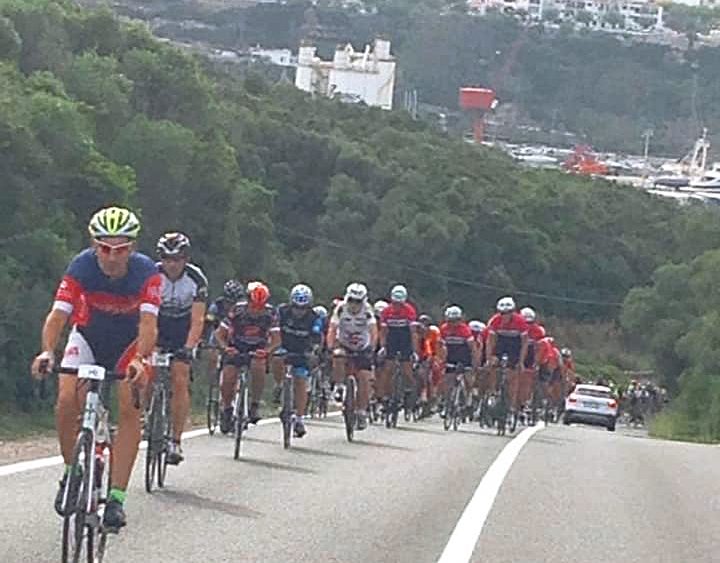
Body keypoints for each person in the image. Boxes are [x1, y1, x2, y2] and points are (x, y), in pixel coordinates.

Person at [30, 206, 161, 531]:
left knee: (129, 407)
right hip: (88, 336)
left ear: (132, 248)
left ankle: (116, 497)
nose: (112, 257)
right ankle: (72, 470)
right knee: (65, 401)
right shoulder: (81, 266)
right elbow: (57, 316)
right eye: (104, 248)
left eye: (121, 249)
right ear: (93, 245)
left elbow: (148, 324)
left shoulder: (146, 273)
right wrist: (47, 351)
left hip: (129, 344)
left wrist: (140, 359)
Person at [155, 232, 208, 465]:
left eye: (177, 259)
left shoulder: (197, 279)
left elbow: (197, 320)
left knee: (180, 377)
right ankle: (147, 412)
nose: (172, 264)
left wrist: (188, 347)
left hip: (183, 330)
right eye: (167, 259)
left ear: (185, 259)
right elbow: (143, 313)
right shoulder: (151, 275)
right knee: (145, 370)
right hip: (157, 326)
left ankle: (175, 440)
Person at [214, 281, 279, 432]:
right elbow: (219, 334)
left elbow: (277, 339)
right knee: (229, 377)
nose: (257, 310)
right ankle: (227, 408)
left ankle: (254, 404)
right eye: (254, 305)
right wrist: (225, 348)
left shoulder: (270, 313)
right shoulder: (237, 310)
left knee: (258, 367)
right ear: (248, 300)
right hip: (236, 346)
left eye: (260, 306)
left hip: (258, 348)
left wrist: (268, 350)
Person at [273, 285, 323, 438]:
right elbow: (272, 329)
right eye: (296, 307)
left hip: (302, 351)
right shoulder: (282, 312)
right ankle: (279, 385)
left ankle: (299, 419)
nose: (298, 311)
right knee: (276, 358)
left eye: (303, 308)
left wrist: (314, 351)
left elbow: (317, 338)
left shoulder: (314, 318)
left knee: (301, 380)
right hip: (284, 347)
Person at [326, 283, 378, 430]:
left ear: (364, 301)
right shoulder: (341, 308)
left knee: (364, 378)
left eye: (358, 301)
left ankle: (361, 411)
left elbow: (373, 330)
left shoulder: (367, 310)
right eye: (351, 300)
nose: (354, 305)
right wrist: (330, 347)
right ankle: (339, 386)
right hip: (344, 343)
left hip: (362, 346)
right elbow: (332, 328)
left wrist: (372, 348)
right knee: (338, 355)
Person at [377, 285, 419, 414]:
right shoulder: (386, 311)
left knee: (407, 370)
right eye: (395, 303)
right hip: (392, 339)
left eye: (399, 303)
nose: (397, 306)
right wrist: (383, 346)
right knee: (387, 369)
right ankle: (384, 397)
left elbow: (413, 333)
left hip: (405, 339)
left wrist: (415, 350)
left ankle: (408, 390)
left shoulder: (409, 310)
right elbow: (383, 331)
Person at [485, 297, 529, 415]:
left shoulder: (520, 322)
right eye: (502, 313)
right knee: (493, 365)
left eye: (508, 313)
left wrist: (521, 361)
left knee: (512, 375)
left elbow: (524, 343)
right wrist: (489, 358)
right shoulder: (495, 320)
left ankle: (511, 404)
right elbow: (490, 341)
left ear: (513, 312)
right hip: (500, 343)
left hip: (515, 345)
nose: (505, 316)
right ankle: (493, 391)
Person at [439, 306, 478, 416]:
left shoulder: (464, 329)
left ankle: (469, 398)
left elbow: (472, 348)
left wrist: (474, 362)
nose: (453, 324)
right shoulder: (444, 329)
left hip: (465, 356)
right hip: (451, 356)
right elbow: (441, 346)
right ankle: (447, 404)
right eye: (450, 321)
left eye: (456, 321)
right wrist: (441, 359)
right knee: (448, 381)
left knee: (468, 379)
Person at [520, 307, 546, 410]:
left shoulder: (538, 331)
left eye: (529, 323)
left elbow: (540, 348)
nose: (527, 325)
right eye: (525, 322)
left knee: (527, 379)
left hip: (531, 354)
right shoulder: (518, 326)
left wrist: (536, 362)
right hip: (518, 351)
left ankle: (524, 401)